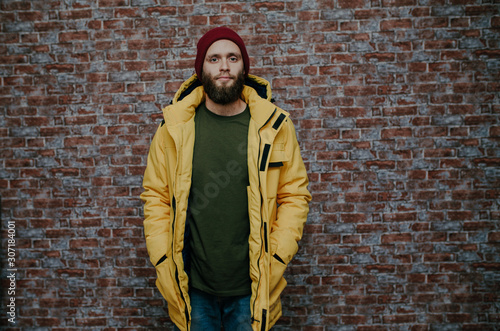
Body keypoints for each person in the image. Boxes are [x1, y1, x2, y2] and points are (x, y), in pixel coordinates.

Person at [140, 26, 311, 331]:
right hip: (192, 287)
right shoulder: (173, 128)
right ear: (201, 69)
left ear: (244, 67)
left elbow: (294, 195)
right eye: (214, 58)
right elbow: (156, 196)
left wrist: (277, 255)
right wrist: (163, 256)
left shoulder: (274, 126)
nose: (224, 67)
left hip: (253, 288)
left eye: (232, 58)